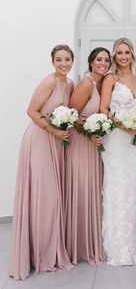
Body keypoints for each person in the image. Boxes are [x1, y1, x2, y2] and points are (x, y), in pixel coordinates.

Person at [10, 45, 74, 280]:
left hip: (55, 143)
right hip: (39, 139)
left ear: (72, 61)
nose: (63, 63)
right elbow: (32, 111)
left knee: (52, 197)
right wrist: (53, 130)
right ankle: (39, 254)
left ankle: (51, 248)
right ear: (52, 61)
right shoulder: (49, 82)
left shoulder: (69, 84)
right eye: (59, 60)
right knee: (45, 196)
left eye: (67, 59)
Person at [100, 38, 136, 265]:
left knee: (132, 186)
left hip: (135, 142)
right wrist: (123, 125)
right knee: (116, 185)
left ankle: (133, 243)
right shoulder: (111, 79)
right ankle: (116, 246)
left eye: (127, 52)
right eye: (119, 53)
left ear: (132, 54)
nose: (123, 56)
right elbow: (103, 109)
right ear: (115, 56)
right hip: (117, 139)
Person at [65, 47, 111, 264]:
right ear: (91, 62)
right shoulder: (86, 83)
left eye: (106, 60)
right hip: (81, 144)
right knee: (82, 190)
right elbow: (72, 116)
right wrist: (89, 134)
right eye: (99, 59)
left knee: (93, 190)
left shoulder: (101, 84)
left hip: (95, 145)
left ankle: (91, 242)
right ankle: (80, 246)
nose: (103, 63)